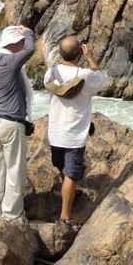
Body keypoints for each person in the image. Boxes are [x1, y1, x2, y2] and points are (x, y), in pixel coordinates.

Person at [44, 36, 105, 228]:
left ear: (60, 53)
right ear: (80, 53)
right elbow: (100, 78)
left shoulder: (51, 73)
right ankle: (65, 216)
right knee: (71, 174)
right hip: (74, 134)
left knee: (63, 169)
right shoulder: (85, 76)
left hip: (55, 132)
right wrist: (91, 58)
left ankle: (68, 195)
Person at [0, 24, 34, 220]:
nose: (23, 46)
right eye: (20, 43)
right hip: (11, 123)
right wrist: (29, 33)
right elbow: (30, 49)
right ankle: (11, 215)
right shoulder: (10, 62)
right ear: (14, 44)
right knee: (14, 171)